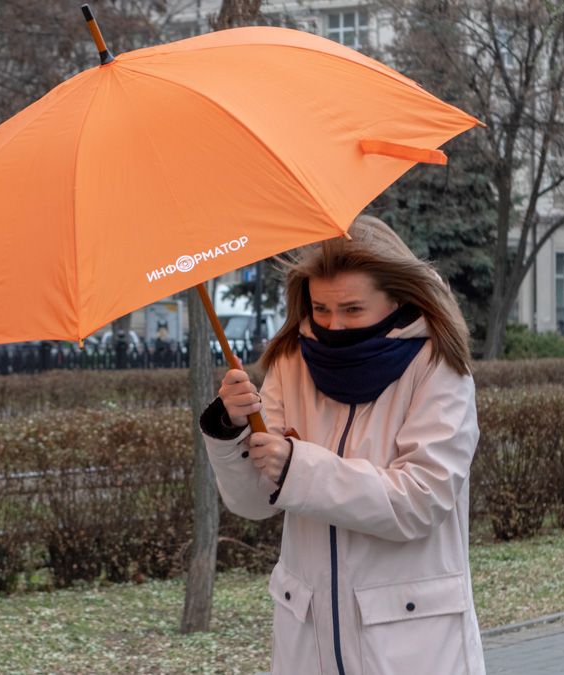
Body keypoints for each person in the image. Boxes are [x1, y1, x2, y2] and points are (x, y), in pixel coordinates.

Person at [200, 215, 484, 675]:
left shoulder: (437, 367)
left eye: (353, 309)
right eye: (322, 309)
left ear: (396, 297)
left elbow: (421, 499)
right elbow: (255, 501)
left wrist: (300, 468)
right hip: (308, 643)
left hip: (410, 644)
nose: (335, 324)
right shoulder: (291, 362)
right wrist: (232, 428)